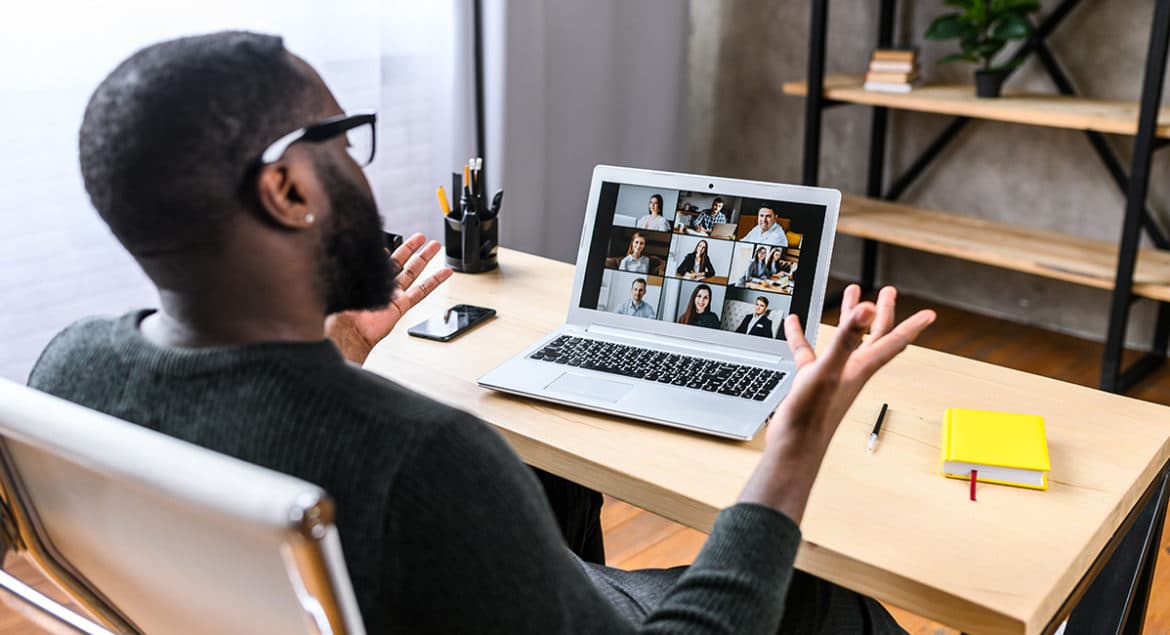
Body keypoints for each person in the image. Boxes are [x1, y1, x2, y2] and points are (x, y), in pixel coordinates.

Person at [27, 31, 936, 634]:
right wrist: (796, 444)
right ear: (289, 192)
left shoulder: (70, 368)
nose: (357, 167)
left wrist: (337, 354)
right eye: (342, 144)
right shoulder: (423, 460)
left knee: (543, 476)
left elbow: (257, 426)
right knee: (821, 587)